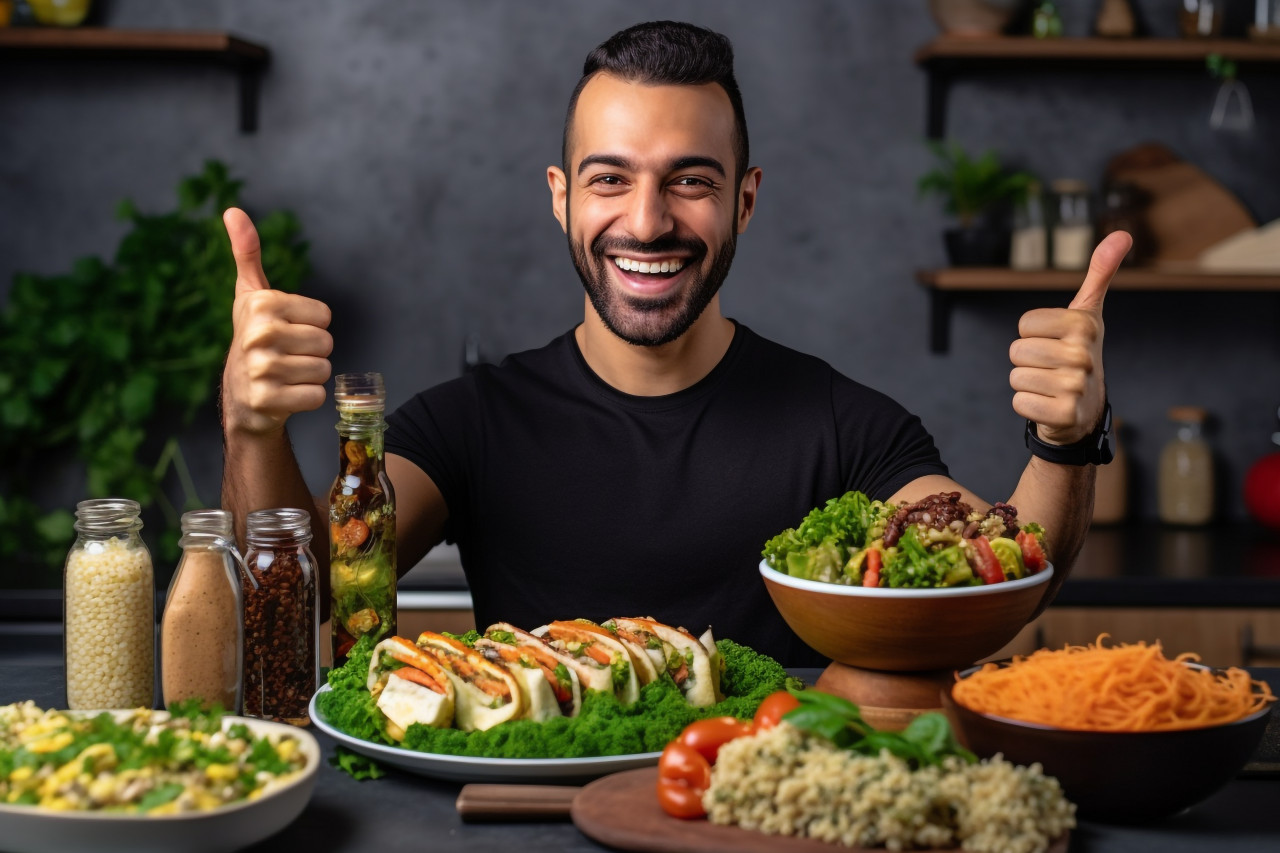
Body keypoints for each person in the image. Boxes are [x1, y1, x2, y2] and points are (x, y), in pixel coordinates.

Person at [220, 21, 1130, 666]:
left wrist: (1066, 442)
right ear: (560, 197)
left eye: (690, 180)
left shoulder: (846, 426)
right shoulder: (471, 424)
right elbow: (308, 597)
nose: (646, 222)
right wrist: (252, 429)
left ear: (745, 199)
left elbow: (1003, 574)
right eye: (609, 178)